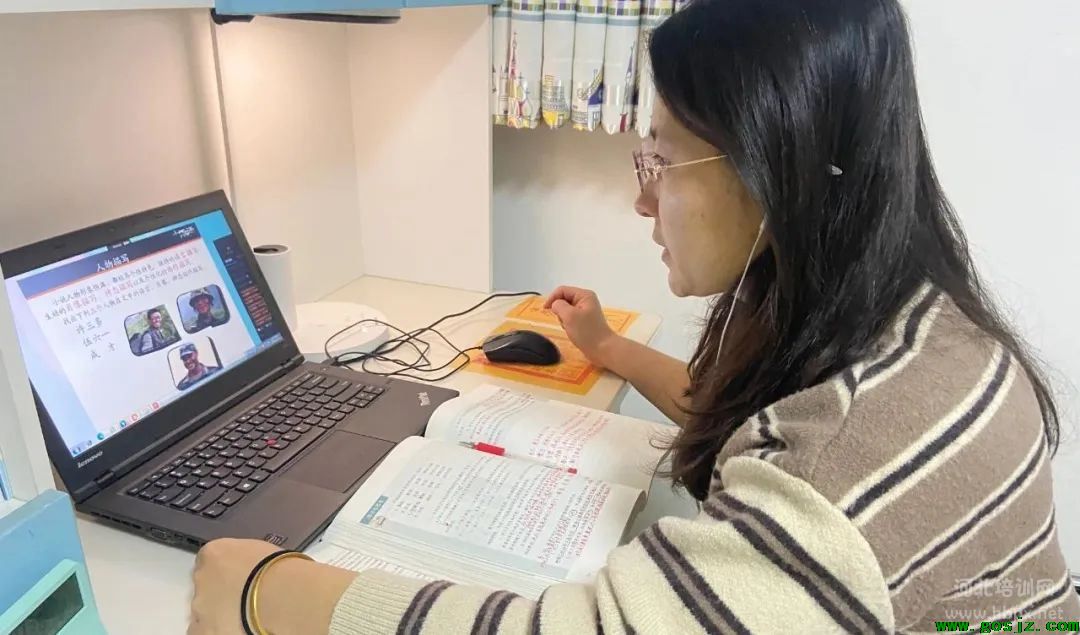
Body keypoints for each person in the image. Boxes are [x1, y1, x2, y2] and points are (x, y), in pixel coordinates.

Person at [188, 0, 1079, 632]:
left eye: (662, 158)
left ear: (771, 165)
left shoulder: (848, 460)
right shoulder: (900, 325)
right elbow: (747, 423)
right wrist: (606, 347)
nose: (643, 199)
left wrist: (268, 590)